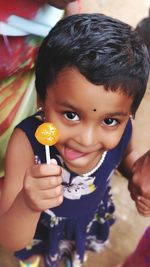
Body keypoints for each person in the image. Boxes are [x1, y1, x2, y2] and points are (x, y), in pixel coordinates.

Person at [0, 13, 150, 267]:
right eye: (70, 115)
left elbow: (124, 157)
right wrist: (27, 203)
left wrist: (135, 177)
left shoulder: (126, 128)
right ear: (41, 98)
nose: (86, 139)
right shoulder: (26, 145)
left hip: (86, 217)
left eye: (110, 121)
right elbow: (10, 238)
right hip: (41, 225)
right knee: (41, 255)